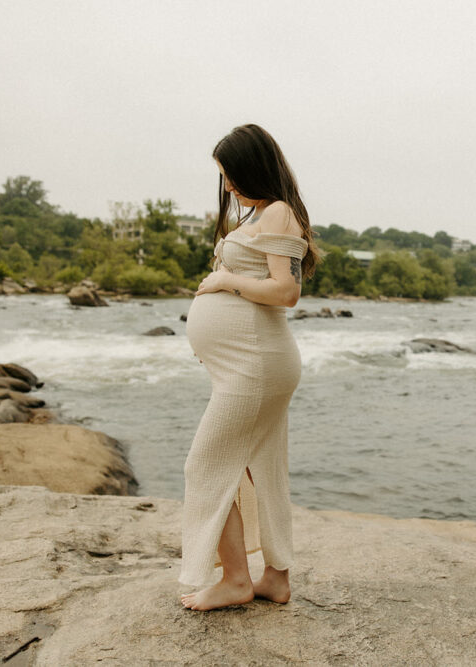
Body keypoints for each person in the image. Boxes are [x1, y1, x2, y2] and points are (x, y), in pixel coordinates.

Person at [179, 124, 320, 611]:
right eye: (222, 177)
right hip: (247, 363)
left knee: (206, 466)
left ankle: (236, 580)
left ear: (254, 168)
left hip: (256, 366)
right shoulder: (262, 213)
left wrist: (225, 281)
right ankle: (275, 578)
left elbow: (287, 293)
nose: (228, 186)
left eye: (232, 175)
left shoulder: (279, 212)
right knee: (262, 469)